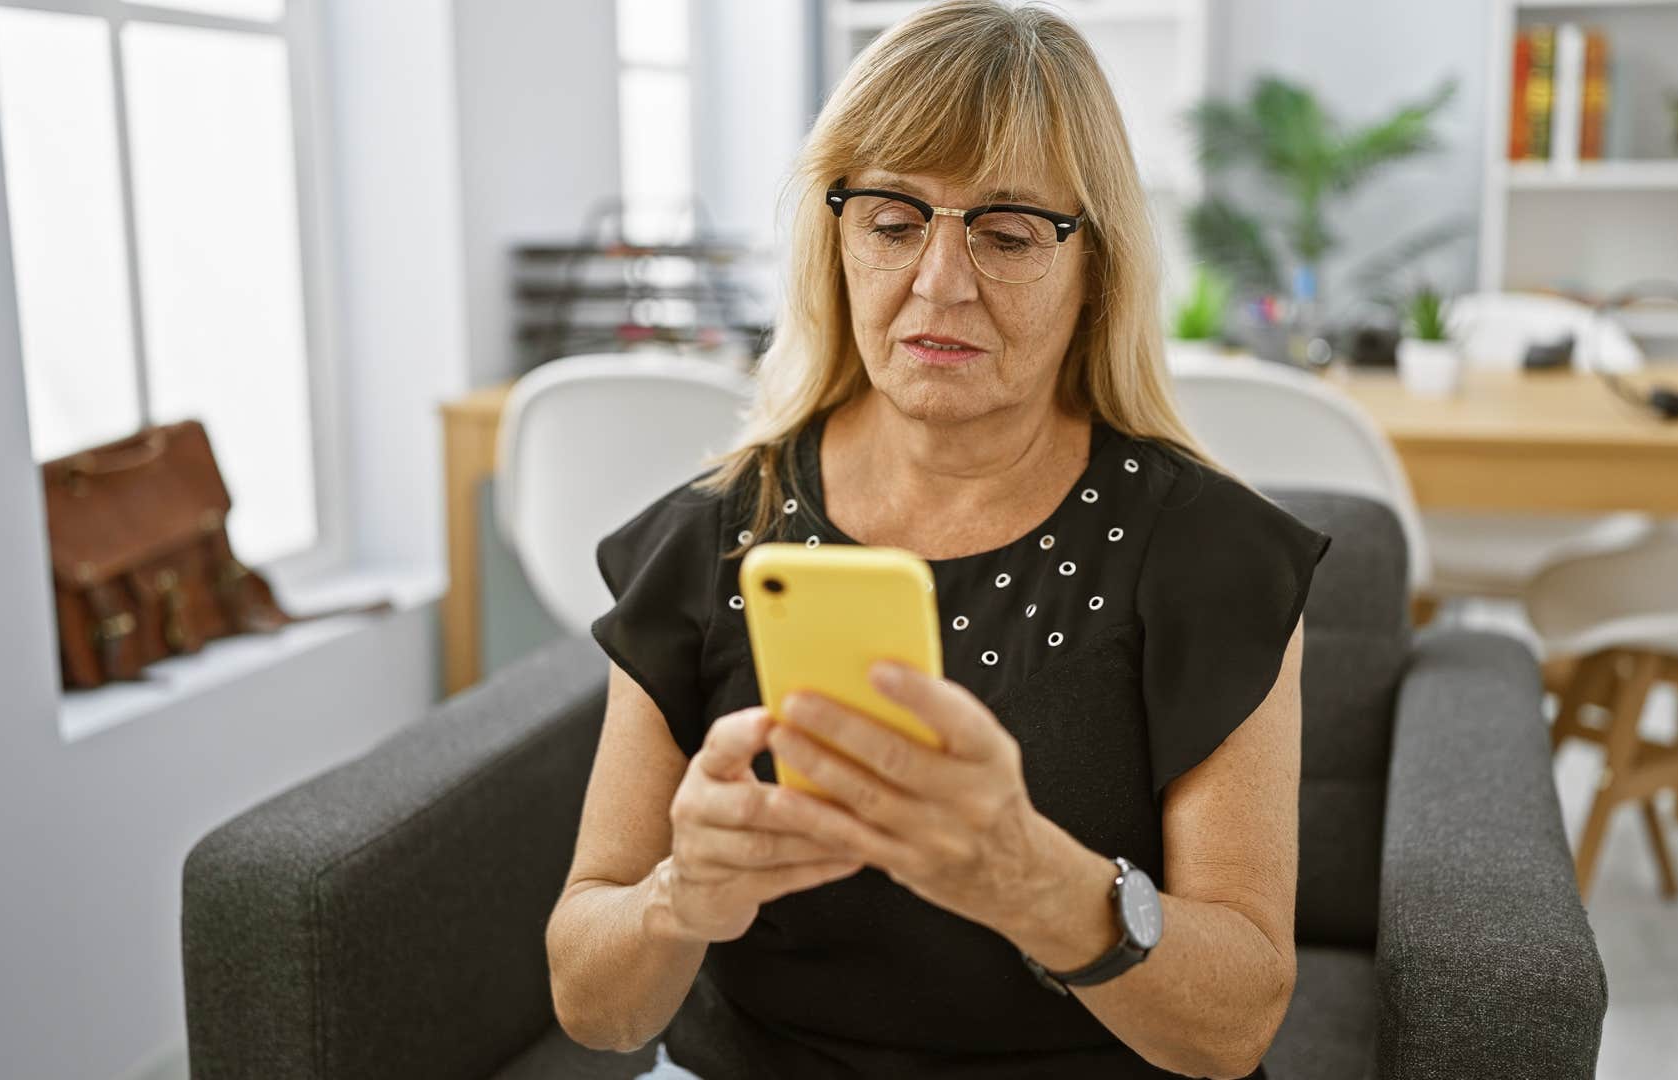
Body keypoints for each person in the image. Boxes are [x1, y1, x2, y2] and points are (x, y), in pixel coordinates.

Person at [545, 2, 1331, 1077]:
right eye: (892, 220)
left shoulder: (1208, 555)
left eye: (1006, 235)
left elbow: (1235, 1022)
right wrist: (683, 899)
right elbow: (596, 1008)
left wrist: (1034, 882)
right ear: (838, 240)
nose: (938, 283)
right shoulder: (710, 539)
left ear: (1095, 266)